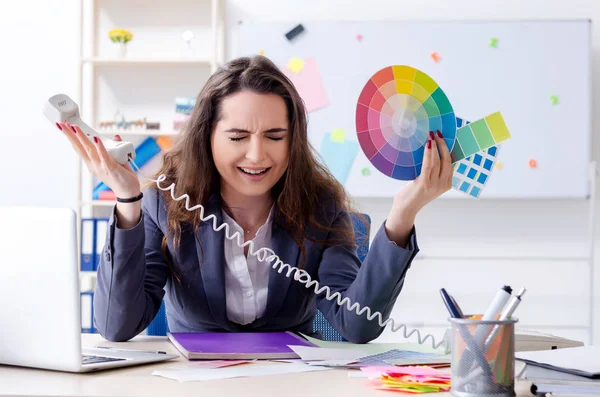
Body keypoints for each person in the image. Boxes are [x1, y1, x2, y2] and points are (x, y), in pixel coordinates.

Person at [56, 56, 452, 344]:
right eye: (238, 137)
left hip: (293, 384)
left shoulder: (321, 205)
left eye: (275, 137)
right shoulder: (165, 203)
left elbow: (357, 325)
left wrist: (403, 215)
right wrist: (128, 201)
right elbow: (116, 326)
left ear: (293, 140)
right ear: (207, 137)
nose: (258, 155)